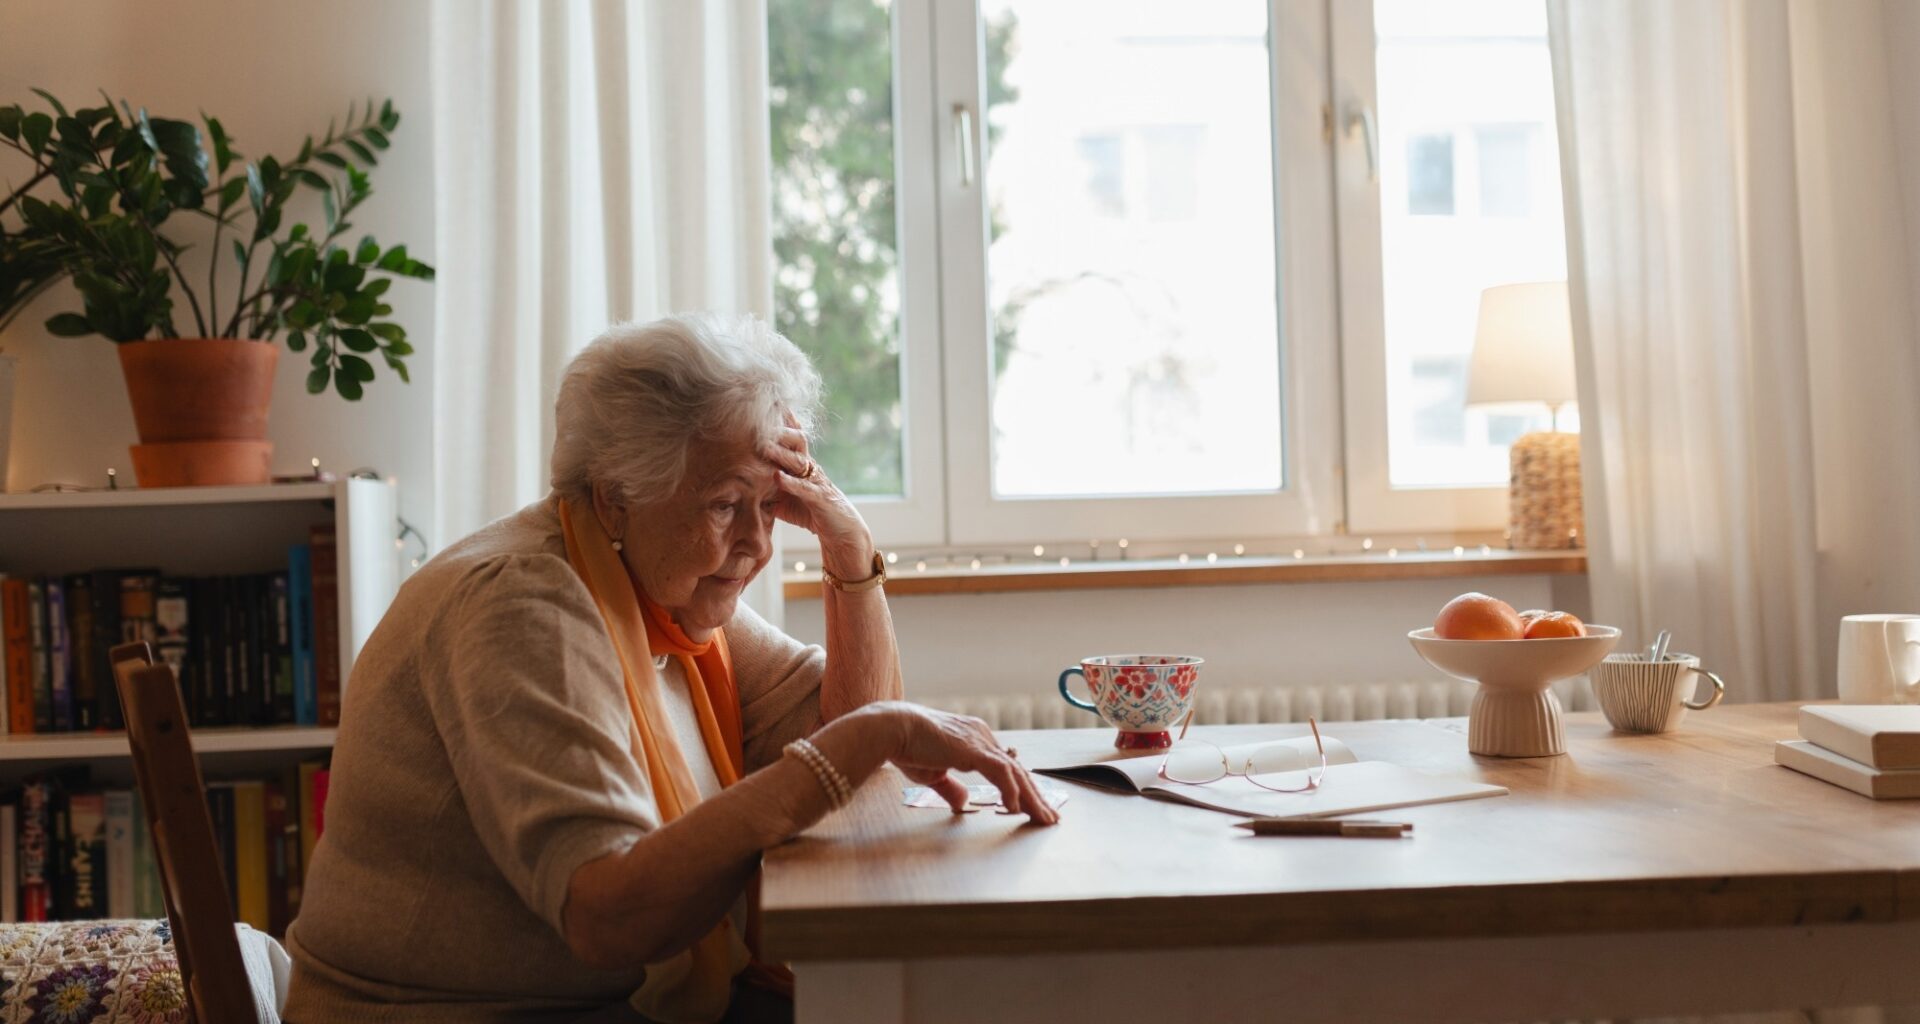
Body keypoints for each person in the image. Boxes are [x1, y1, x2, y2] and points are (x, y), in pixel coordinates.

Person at [284, 313, 1057, 1023]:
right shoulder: (527, 607)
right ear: (617, 499)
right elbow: (610, 913)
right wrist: (868, 736)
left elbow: (847, 734)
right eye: (726, 505)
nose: (757, 544)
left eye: (773, 503)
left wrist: (850, 554)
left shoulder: (662, 599)